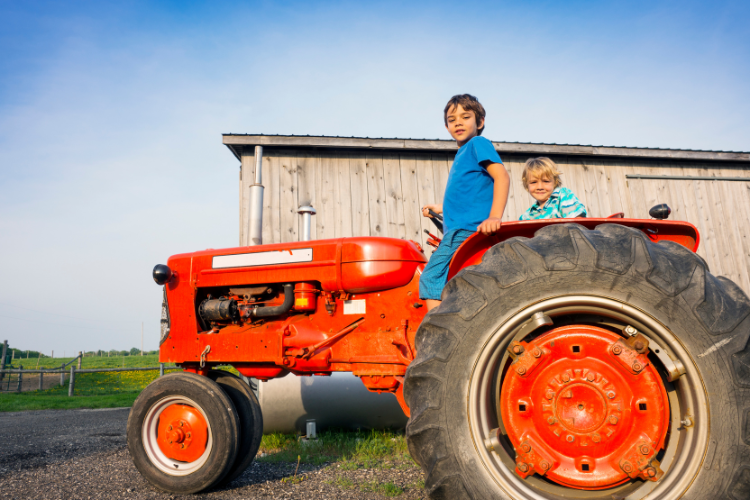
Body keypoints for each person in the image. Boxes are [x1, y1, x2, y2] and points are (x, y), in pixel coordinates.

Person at [420, 94, 510, 311]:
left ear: (480, 122)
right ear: (446, 126)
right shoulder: (463, 152)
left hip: (464, 231)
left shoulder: (478, 144)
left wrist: (495, 216)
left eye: (465, 116)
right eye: (452, 119)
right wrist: (439, 208)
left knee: (431, 277)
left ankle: (437, 335)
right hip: (457, 230)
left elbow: (502, 176)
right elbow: (468, 193)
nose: (458, 122)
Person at [519, 157, 587, 220]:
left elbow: (578, 222)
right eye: (533, 182)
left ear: (555, 182)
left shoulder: (562, 196)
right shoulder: (528, 215)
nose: (540, 187)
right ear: (526, 185)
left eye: (546, 181)